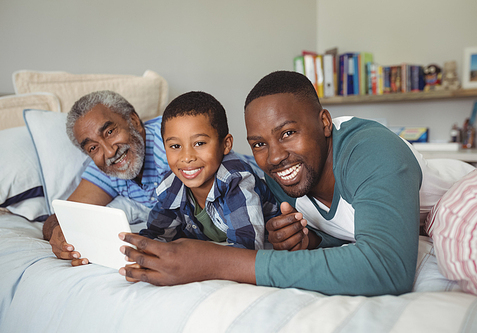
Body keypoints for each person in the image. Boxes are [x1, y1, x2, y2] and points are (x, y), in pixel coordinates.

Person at [118, 71, 426, 296]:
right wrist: (310, 242)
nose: (275, 157)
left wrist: (214, 261)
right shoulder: (280, 180)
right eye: (259, 144)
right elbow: (350, 233)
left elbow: (387, 268)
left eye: (288, 133)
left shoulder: (372, 151)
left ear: (324, 123)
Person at [43, 90, 170, 266]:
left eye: (110, 132)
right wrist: (58, 232)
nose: (109, 152)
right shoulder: (105, 168)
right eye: (93, 148)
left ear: (133, 121)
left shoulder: (172, 141)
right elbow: (61, 216)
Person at [140, 91, 279, 249]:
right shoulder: (171, 186)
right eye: (175, 146)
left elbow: (247, 247)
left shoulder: (235, 179)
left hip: (272, 248)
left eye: (199, 143)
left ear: (225, 144)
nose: (187, 157)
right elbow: (156, 236)